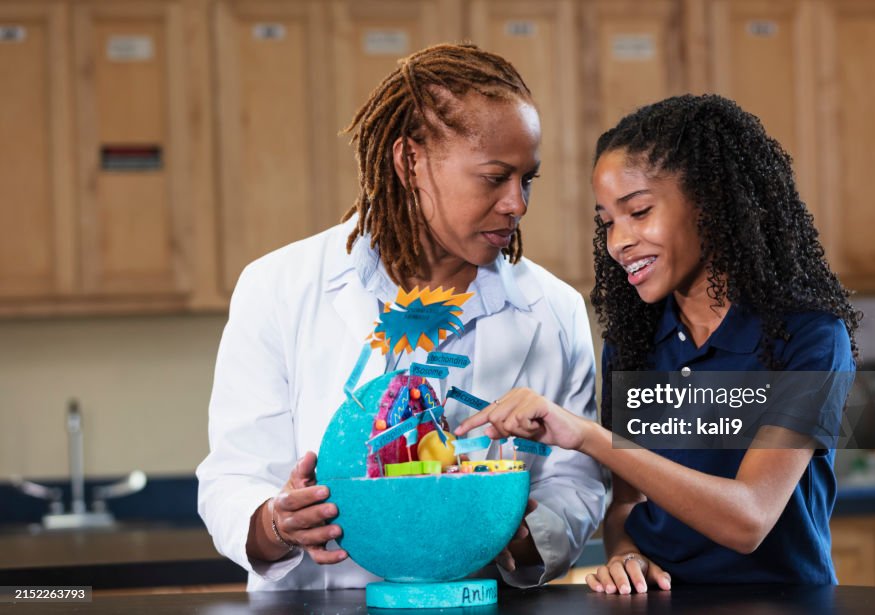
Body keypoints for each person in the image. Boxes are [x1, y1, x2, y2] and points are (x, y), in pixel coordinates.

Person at [196, 43, 605, 591]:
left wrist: (516, 529)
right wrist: (279, 522)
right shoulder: (279, 288)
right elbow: (234, 476)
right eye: (494, 177)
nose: (517, 204)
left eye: (527, 179)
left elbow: (576, 482)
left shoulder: (553, 309)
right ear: (409, 160)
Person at [456, 94, 859, 592]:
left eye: (639, 212)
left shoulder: (809, 336)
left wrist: (587, 436)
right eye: (607, 222)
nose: (619, 241)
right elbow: (627, 505)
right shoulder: (635, 342)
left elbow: (750, 518)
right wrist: (625, 554)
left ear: (711, 203)